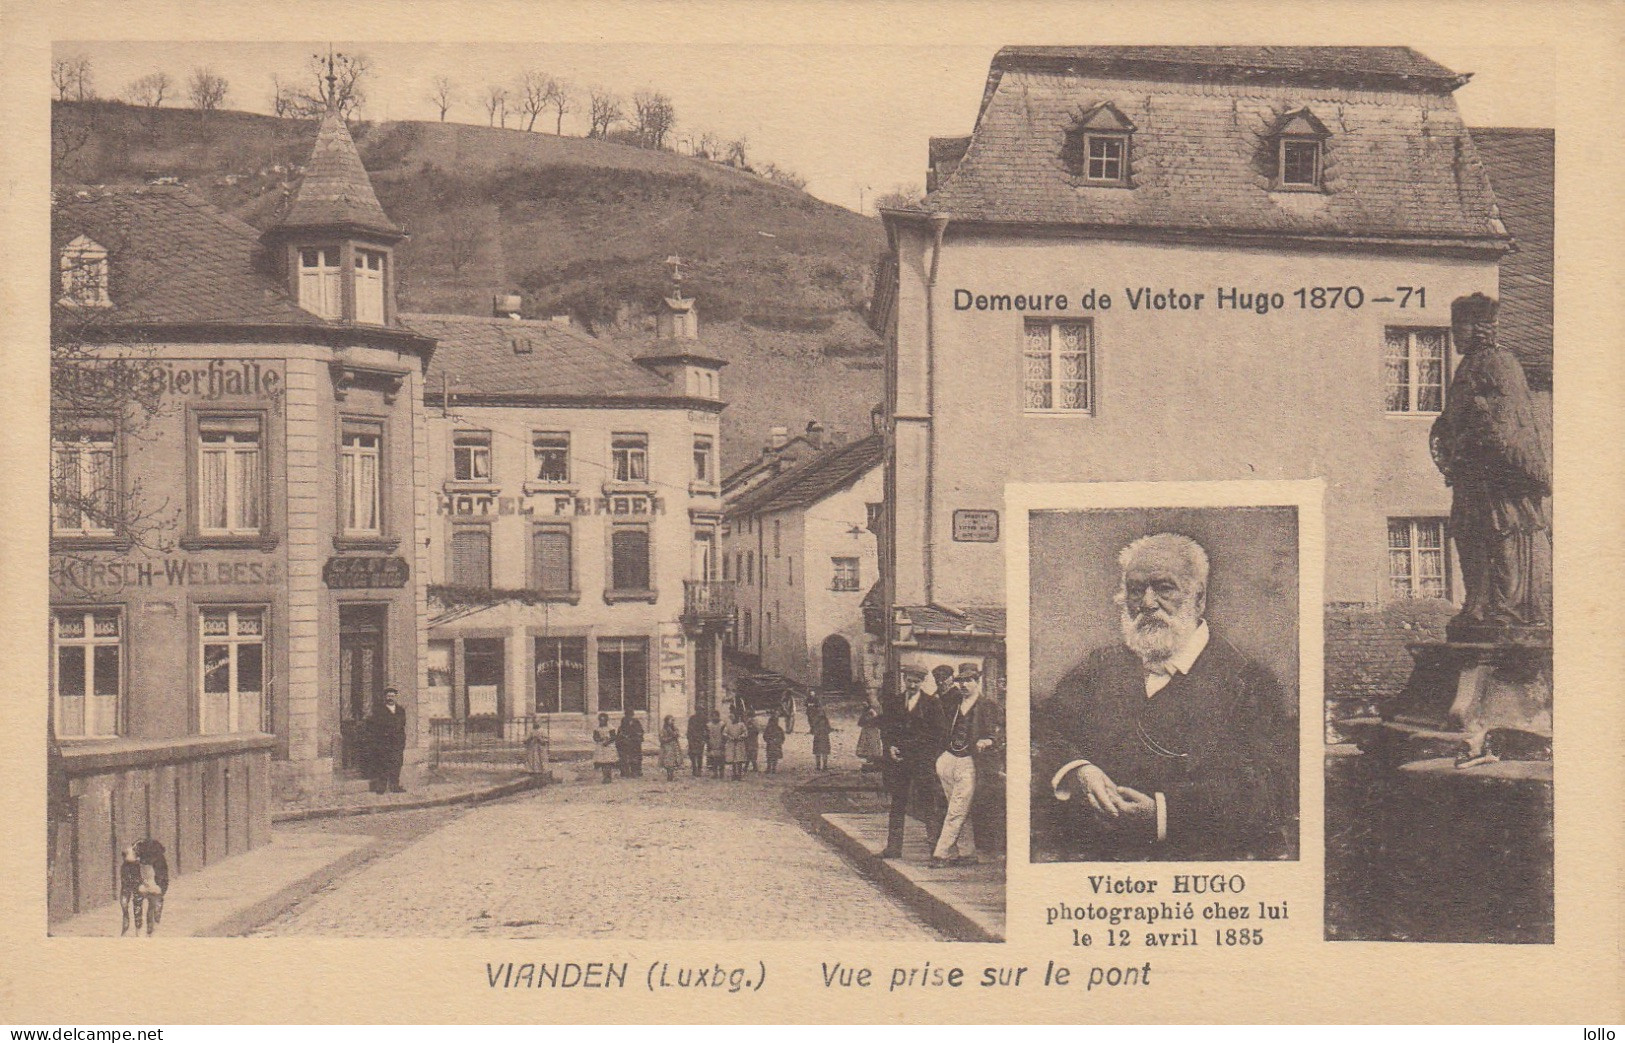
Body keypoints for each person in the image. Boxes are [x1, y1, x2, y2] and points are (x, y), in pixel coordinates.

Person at [1031, 532, 1297, 862]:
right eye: (1136, 589)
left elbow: (1270, 791)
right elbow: (1047, 734)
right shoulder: (1098, 669)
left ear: (1199, 598)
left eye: (1164, 588)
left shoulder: (1247, 682)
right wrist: (1077, 770)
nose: (1147, 602)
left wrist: (1162, 813)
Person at [1430, 292, 1552, 635]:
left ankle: (1507, 609)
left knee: (1500, 535)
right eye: (1455, 327)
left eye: (1461, 327)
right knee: (1468, 532)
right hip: (1471, 471)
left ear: (1480, 327)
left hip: (1500, 475)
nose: (1456, 334)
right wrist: (1447, 435)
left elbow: (1510, 418)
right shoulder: (1467, 366)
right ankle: (1477, 604)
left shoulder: (1500, 362)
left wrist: (1480, 427)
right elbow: (1455, 416)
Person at [931, 662, 1002, 866]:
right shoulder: (955, 704)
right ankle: (967, 852)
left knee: (956, 809)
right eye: (960, 681)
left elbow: (999, 732)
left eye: (968, 680)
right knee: (959, 807)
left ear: (977, 682)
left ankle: (942, 853)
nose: (963, 685)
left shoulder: (987, 705)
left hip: (970, 761)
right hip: (949, 759)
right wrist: (942, 757)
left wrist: (988, 740)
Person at [368, 686, 408, 794]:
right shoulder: (379, 710)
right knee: (383, 764)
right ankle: (381, 787)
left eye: (392, 696)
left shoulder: (400, 710)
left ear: (396, 697)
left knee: (397, 764)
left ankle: (395, 786)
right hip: (385, 743)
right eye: (388, 696)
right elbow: (376, 726)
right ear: (385, 697)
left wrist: (401, 741)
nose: (390, 698)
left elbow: (402, 725)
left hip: (397, 743)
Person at [855, 693, 884, 766]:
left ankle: (873, 759)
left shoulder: (876, 706)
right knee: (867, 742)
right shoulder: (869, 706)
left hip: (872, 727)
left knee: (872, 742)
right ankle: (869, 758)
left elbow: (877, 716)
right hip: (867, 726)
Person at [617, 709, 645, 778]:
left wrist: (637, 736)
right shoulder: (623, 721)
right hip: (626, 742)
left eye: (630, 715)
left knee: (636, 757)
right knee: (625, 758)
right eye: (627, 715)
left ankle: (636, 771)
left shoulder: (636, 722)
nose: (629, 717)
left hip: (635, 742)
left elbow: (640, 731)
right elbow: (620, 731)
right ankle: (625, 772)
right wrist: (623, 737)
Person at [592, 713, 619, 784]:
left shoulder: (610, 727)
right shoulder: (597, 728)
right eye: (601, 720)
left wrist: (608, 742)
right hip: (600, 747)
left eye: (604, 720)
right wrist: (599, 739)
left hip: (609, 747)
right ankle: (605, 777)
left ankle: (608, 777)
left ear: (607, 720)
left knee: (608, 762)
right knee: (602, 762)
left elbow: (613, 737)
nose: (602, 722)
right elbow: (595, 737)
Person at [723, 710, 750, 781]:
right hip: (732, 743)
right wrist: (730, 737)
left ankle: (739, 774)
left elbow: (745, 732)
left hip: (739, 743)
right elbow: (724, 733)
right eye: (731, 717)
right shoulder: (728, 725)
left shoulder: (741, 724)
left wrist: (740, 737)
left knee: (739, 759)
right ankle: (734, 774)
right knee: (733, 760)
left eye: (733, 717)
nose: (732, 719)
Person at [658, 715, 683, 781]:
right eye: (671, 720)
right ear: (667, 721)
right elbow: (661, 739)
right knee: (668, 761)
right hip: (667, 748)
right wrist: (670, 738)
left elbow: (677, 734)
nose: (672, 722)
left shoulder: (674, 728)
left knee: (674, 761)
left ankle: (671, 775)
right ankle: (669, 775)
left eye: (673, 720)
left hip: (674, 747)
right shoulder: (663, 730)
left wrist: (676, 735)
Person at [810, 707, 835, 771]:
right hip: (824, 738)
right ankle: (824, 766)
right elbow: (828, 730)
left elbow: (812, 731)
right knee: (824, 753)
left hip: (817, 738)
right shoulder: (826, 721)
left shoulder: (815, 721)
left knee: (818, 753)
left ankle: (818, 766)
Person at [686, 710, 709, 778]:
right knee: (692, 755)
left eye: (701, 710)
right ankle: (694, 769)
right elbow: (689, 729)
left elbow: (707, 729)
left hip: (700, 739)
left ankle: (698, 770)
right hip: (693, 739)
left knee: (699, 755)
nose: (700, 711)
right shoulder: (692, 718)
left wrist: (705, 739)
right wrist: (689, 738)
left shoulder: (704, 718)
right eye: (698, 709)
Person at [707, 710, 726, 779]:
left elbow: (724, 734)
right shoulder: (709, 725)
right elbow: (707, 735)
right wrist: (708, 743)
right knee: (713, 759)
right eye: (713, 716)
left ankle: (721, 773)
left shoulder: (722, 724)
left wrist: (723, 743)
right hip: (712, 743)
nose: (714, 718)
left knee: (721, 758)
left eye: (716, 716)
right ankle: (714, 773)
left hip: (720, 743)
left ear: (718, 716)